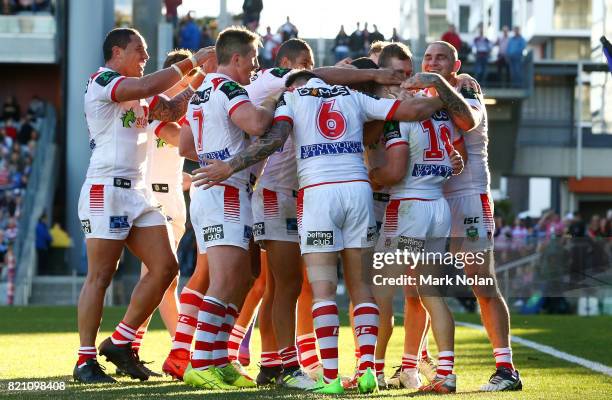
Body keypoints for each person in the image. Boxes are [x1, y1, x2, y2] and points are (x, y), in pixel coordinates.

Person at [192, 65, 474, 394]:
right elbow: (411, 109)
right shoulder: (352, 95)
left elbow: (274, 139)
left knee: (322, 289)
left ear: (294, 84)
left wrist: (231, 165)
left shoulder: (292, 98)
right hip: (357, 190)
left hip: (318, 194)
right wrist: (445, 95)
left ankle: (329, 378)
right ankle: (368, 370)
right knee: (361, 289)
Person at [73, 27, 215, 384]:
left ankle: (121, 341)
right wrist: (194, 61)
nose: (145, 57)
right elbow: (150, 87)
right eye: (139, 50)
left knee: (166, 268)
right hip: (105, 188)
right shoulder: (102, 80)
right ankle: (85, 359)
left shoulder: (139, 91)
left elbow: (168, 110)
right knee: (101, 275)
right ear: (117, 53)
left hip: (136, 191)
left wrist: (201, 78)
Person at [178, 26, 277, 391]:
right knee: (225, 279)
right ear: (235, 58)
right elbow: (255, 122)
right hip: (225, 191)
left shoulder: (201, 90)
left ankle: (219, 359)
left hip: (215, 189)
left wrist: (215, 150)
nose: (255, 66)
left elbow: (186, 145)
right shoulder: (230, 88)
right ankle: (200, 362)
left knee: (244, 276)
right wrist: (271, 104)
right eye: (252, 58)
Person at [421, 41, 523, 392]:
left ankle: (506, 368)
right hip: (432, 198)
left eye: (440, 59)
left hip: (468, 198)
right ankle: (424, 365)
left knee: (482, 283)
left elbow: (466, 119)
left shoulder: (467, 92)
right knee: (421, 287)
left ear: (455, 64)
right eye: (428, 57)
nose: (432, 63)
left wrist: (438, 84)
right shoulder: (426, 94)